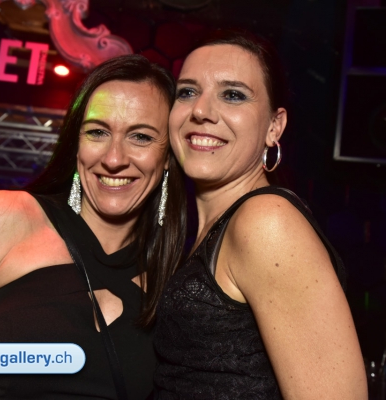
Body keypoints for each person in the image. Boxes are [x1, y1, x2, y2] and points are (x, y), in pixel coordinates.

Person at [0, 54, 186, 400]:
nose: (114, 158)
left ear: (168, 157)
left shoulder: (172, 281)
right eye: (97, 132)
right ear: (76, 144)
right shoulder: (5, 220)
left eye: (141, 137)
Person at [153, 30, 367, 399]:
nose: (200, 111)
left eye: (233, 95)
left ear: (274, 126)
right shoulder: (211, 227)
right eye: (187, 92)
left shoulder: (267, 222)